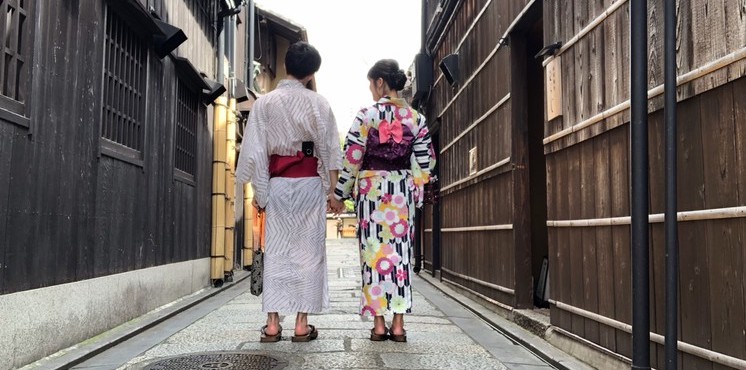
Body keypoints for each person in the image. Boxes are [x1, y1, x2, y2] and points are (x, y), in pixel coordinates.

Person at [236, 41, 342, 343]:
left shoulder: (265, 103)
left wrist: (260, 188)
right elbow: (330, 150)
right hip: (309, 184)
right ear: (310, 74)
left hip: (279, 184)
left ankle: (271, 324)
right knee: (309, 253)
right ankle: (300, 324)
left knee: (278, 252)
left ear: (286, 66)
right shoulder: (318, 103)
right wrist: (332, 192)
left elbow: (255, 148)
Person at [329, 59, 436, 342]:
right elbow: (426, 164)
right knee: (401, 256)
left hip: (372, 193)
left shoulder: (366, 116)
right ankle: (398, 324)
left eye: (371, 85)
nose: (371, 91)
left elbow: (351, 158)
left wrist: (339, 194)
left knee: (373, 255)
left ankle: (378, 324)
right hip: (401, 192)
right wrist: (415, 193)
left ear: (380, 82)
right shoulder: (417, 119)